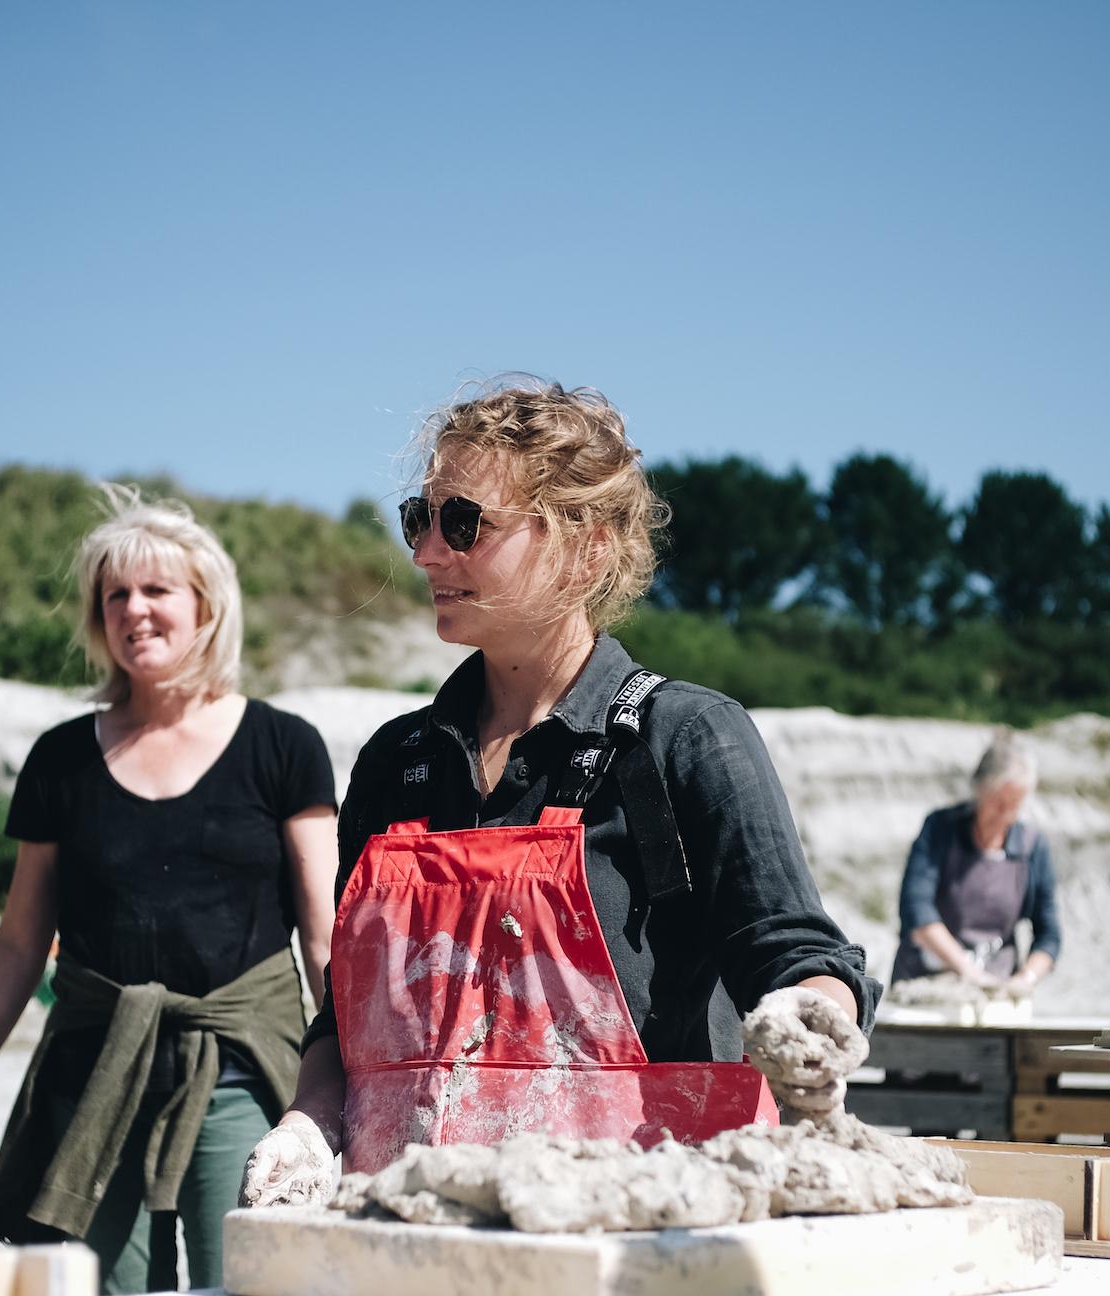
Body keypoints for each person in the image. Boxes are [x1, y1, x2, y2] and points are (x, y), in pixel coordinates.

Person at [240, 380, 880, 1205]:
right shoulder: (396, 762)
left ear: (588, 546)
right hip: (403, 1227)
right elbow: (346, 1019)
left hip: (633, 1241)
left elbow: (801, 958)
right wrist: (308, 1125)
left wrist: (810, 1014)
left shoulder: (685, 740)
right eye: (419, 519)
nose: (427, 552)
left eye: (463, 522)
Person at [0, 484, 337, 1292]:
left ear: (205, 605)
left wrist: (346, 1098)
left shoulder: (281, 746)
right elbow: (19, 943)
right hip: (93, 1078)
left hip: (240, 1072)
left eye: (157, 589)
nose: (134, 609)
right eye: (114, 594)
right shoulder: (60, 760)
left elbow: (325, 936)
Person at [889, 732, 1060, 1000]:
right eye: (997, 803)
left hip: (997, 990)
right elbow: (916, 911)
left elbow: (1049, 933)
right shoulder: (940, 829)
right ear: (979, 790)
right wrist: (969, 972)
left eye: (1013, 806)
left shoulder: (1032, 846)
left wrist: (1025, 978)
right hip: (926, 985)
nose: (1004, 815)